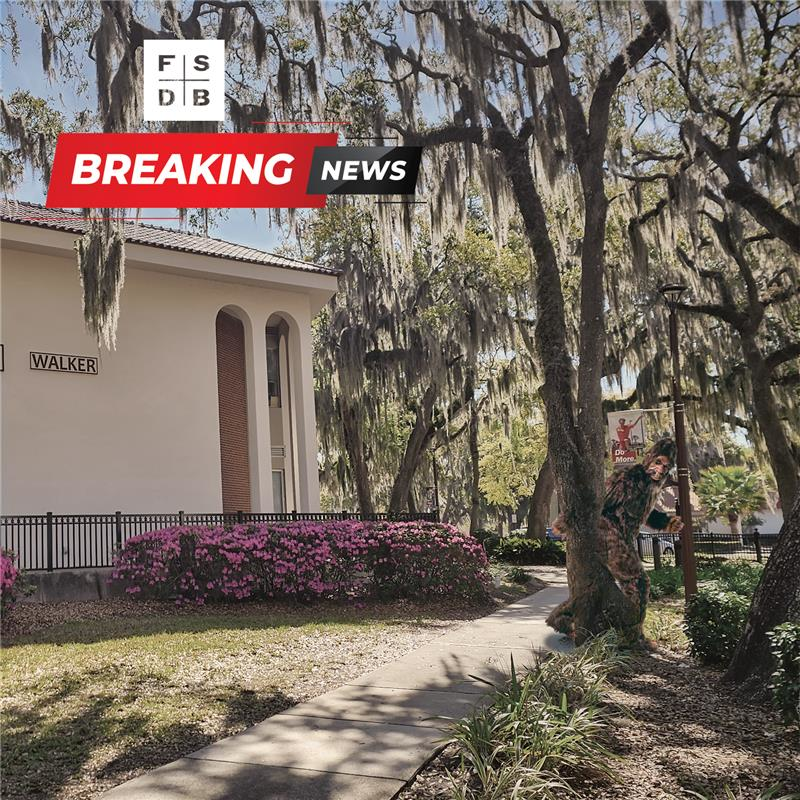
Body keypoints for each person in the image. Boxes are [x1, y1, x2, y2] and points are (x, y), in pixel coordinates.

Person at [547, 437, 684, 644]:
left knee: (597, 586)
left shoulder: (650, 487)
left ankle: (563, 619)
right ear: (650, 458)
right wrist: (565, 522)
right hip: (607, 534)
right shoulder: (628, 478)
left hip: (621, 537)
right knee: (638, 582)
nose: (662, 469)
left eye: (667, 466)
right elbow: (596, 501)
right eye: (659, 462)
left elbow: (644, 515)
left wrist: (666, 522)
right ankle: (631, 635)